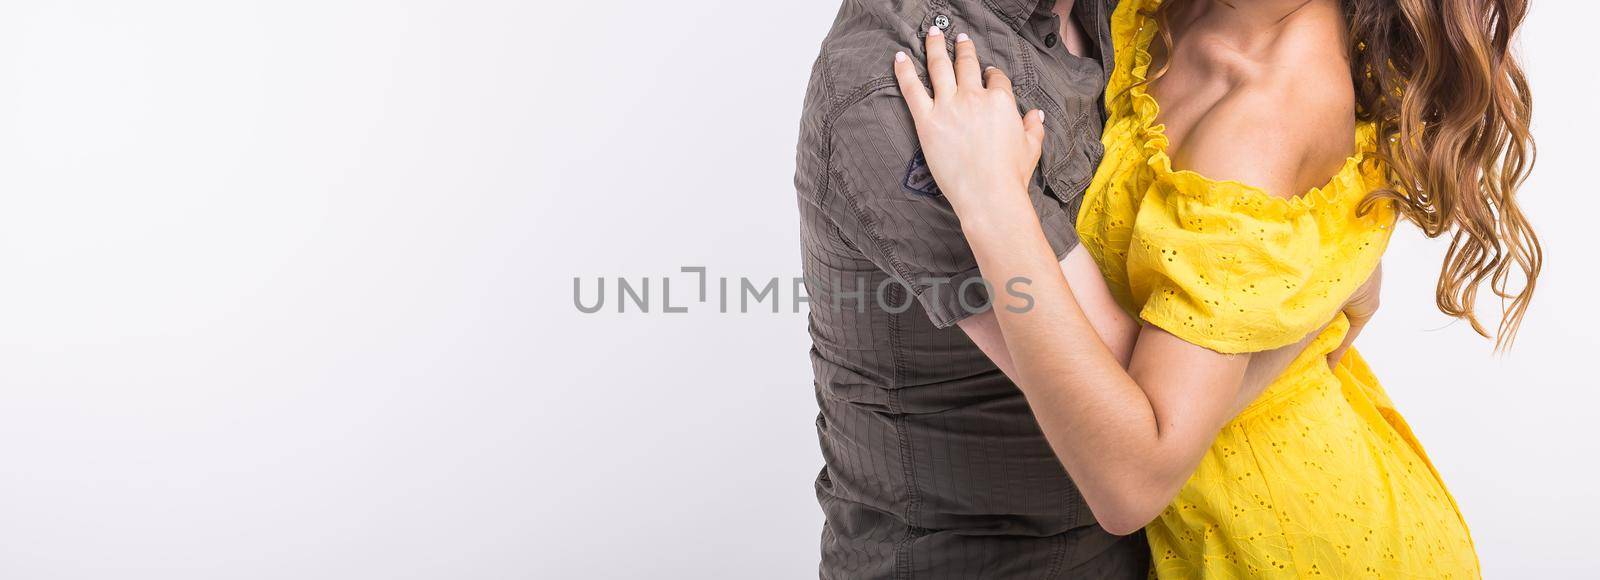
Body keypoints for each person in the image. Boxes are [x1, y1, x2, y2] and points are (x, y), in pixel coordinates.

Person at [887, 0, 1539, 576]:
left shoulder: (1259, 118)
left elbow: (1131, 482)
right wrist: (1320, 310)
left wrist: (993, 199)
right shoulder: (1173, 14)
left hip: (1298, 548)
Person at [794, 0, 1365, 576]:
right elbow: (1137, 464)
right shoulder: (907, 85)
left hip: (1163, 551)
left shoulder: (1120, 12)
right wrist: (1325, 297)